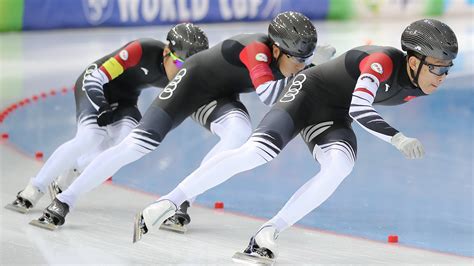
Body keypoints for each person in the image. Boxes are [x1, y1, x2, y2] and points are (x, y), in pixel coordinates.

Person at [135, 18, 458, 263]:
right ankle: (171, 200)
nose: (441, 77)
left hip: (334, 114)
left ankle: (268, 233)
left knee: (340, 166)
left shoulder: (420, 82)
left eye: (447, 70)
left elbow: (349, 107)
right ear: (414, 61)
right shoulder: (382, 62)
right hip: (305, 93)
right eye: (437, 69)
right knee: (258, 152)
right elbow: (360, 107)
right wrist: (396, 137)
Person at [31, 11, 337, 229]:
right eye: (297, 60)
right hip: (186, 88)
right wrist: (312, 71)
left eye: (304, 61)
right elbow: (270, 96)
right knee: (134, 147)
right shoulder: (256, 51)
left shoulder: (283, 58)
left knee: (239, 130)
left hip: (218, 94)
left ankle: (181, 199)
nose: (300, 67)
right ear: (275, 49)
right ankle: (65, 200)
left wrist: (309, 69)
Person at [5, 23, 209, 215]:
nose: (183, 71)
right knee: (90, 137)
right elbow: (96, 78)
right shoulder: (141, 50)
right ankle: (33, 189)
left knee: (125, 145)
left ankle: (73, 170)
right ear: (166, 52)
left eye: (189, 67)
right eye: (180, 63)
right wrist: (101, 105)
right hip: (95, 88)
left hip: (126, 100)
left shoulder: (184, 73)